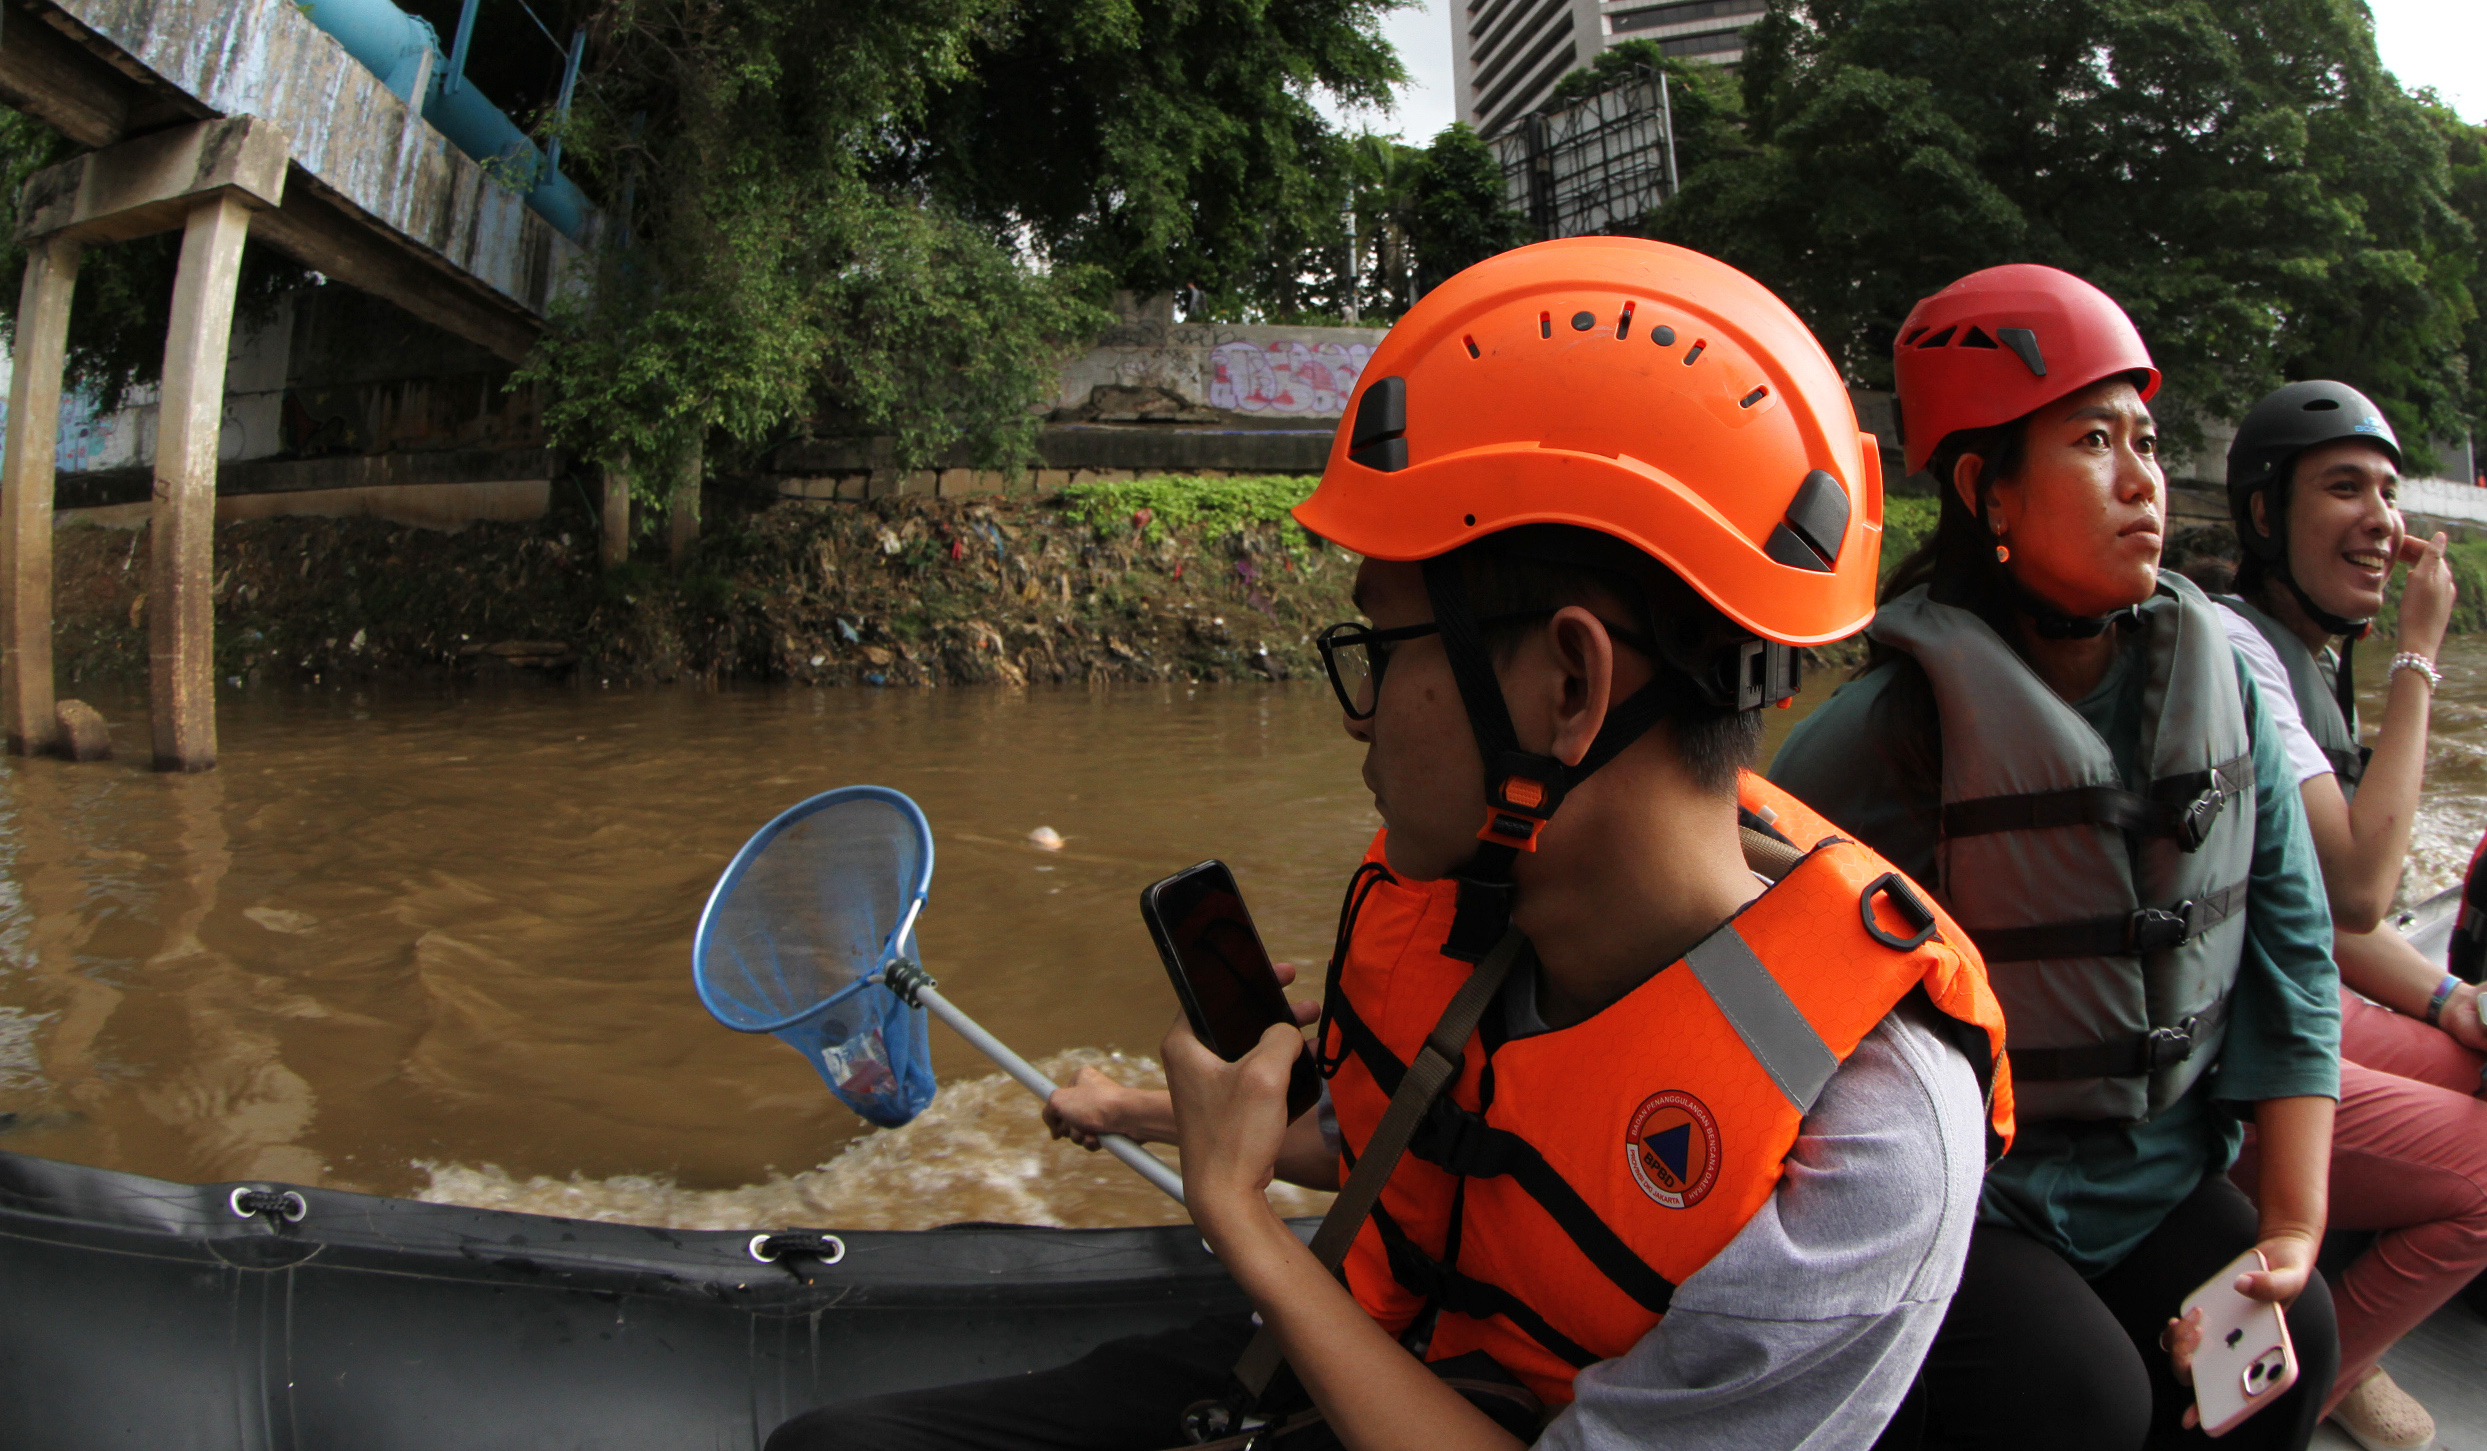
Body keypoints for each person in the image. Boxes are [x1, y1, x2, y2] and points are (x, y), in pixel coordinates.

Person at [767, 237, 2014, 1451]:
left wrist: (1239, 1221)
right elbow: (1393, 1139)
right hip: (1338, 1350)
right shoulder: (1466, 884)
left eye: (1381, 651)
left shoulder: (1871, 1139)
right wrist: (1155, 1113)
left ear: (1568, 686)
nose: (1356, 716)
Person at [1768, 264, 2342, 1451]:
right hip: (1980, 1204)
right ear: (1987, 489)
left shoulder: (2222, 681)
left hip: (2161, 1176)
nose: (2145, 480)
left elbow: (2293, 946)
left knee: (2301, 1342)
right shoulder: (1886, 736)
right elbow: (1732, 954)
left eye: (2145, 438)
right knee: (2076, 1394)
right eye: (2093, 440)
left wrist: (2289, 1228)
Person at [2209, 381, 2482, 1451]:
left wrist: (2452, 996)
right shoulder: (2239, 655)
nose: (2382, 517)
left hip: (2274, 988)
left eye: (2388, 489)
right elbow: (2365, 886)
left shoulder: (2305, 659)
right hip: (2222, 1045)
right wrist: (2421, 653)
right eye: (2343, 487)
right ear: (2266, 515)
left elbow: (2312, 909)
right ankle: (2282, 1397)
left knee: (2470, 1066)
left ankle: (2341, 1338)